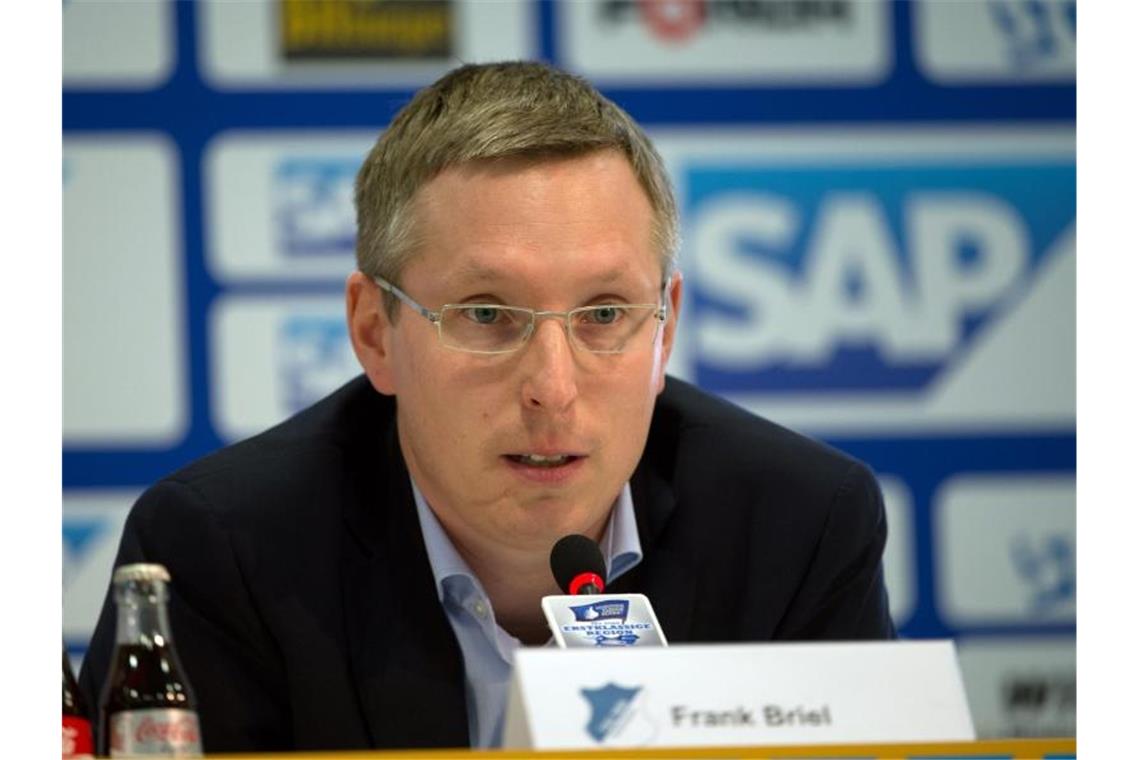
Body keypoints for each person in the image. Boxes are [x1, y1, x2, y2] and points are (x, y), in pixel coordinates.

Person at [79, 61, 894, 753]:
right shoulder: (222, 553)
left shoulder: (802, 525)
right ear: (376, 333)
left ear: (666, 327)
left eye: (605, 314)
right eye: (487, 315)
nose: (552, 385)